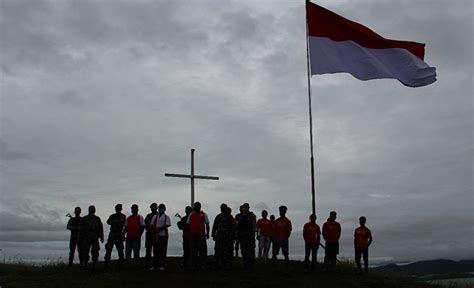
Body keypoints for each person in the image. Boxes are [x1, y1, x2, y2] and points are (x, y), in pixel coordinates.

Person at [187, 201, 210, 270]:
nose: (197, 207)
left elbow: (207, 224)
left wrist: (208, 233)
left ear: (200, 207)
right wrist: (189, 234)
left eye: (198, 206)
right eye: (195, 206)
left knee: (202, 250)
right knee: (193, 250)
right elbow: (188, 224)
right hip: (193, 234)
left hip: (201, 235)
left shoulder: (203, 214)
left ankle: (202, 264)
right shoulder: (191, 214)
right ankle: (194, 265)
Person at [211, 204, 235, 269]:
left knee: (226, 252)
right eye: (222, 208)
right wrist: (213, 234)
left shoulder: (230, 217)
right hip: (219, 237)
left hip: (227, 237)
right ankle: (217, 264)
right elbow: (214, 226)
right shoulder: (218, 217)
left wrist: (232, 236)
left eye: (224, 208)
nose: (223, 209)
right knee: (218, 251)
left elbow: (233, 227)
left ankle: (227, 265)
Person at [150, 203, 171, 271]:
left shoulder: (166, 217)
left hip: (163, 236)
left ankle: (162, 265)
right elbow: (152, 224)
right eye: (160, 208)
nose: (160, 209)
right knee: (155, 250)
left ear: (164, 209)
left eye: (162, 208)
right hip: (156, 235)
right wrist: (155, 230)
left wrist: (158, 229)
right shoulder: (155, 216)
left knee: (163, 250)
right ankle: (155, 264)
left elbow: (167, 225)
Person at [235, 203, 256, 270]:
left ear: (248, 208)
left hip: (249, 236)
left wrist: (253, 236)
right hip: (241, 235)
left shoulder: (251, 215)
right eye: (244, 207)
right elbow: (236, 225)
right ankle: (246, 265)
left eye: (246, 207)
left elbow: (254, 226)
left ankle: (250, 266)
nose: (244, 208)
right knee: (243, 251)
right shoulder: (239, 216)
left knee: (249, 251)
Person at [272, 205, 292, 271]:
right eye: (280, 211)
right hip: (277, 240)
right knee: (274, 254)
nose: (281, 212)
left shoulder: (288, 221)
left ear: (285, 212)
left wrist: (285, 238)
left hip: (284, 240)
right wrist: (275, 239)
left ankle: (286, 268)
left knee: (286, 254)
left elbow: (289, 231)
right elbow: (274, 231)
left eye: (282, 211)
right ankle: (275, 267)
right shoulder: (276, 221)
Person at [144, 203, 158, 268]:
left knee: (156, 249)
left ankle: (156, 262)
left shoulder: (159, 215)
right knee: (148, 249)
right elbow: (144, 224)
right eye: (152, 207)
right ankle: (147, 262)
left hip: (156, 234)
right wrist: (148, 227)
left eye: (154, 207)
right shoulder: (148, 215)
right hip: (149, 233)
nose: (153, 208)